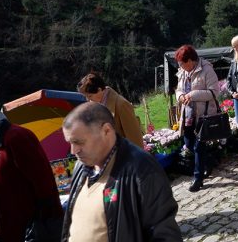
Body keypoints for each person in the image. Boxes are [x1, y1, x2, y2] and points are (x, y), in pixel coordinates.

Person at [60, 102, 182, 241]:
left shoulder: (142, 169)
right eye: (70, 142)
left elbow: (163, 232)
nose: (73, 150)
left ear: (106, 130)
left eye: (79, 142)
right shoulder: (80, 166)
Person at [0, 102, 63, 241]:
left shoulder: (16, 138)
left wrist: (41, 223)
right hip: (11, 224)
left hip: (29, 226)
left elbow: (42, 182)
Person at [175, 44, 219, 192]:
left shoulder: (207, 69)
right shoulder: (182, 71)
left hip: (203, 115)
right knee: (189, 143)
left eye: (182, 63)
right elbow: (178, 90)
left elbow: (214, 92)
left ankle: (198, 178)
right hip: (187, 115)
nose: (180, 66)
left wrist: (192, 95)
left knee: (199, 147)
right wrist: (181, 96)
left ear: (191, 60)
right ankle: (208, 162)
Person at [76, 73, 143, 147]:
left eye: (90, 96)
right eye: (86, 96)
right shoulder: (94, 106)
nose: (88, 99)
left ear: (99, 90)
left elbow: (134, 137)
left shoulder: (121, 104)